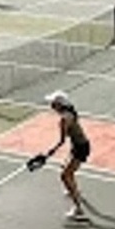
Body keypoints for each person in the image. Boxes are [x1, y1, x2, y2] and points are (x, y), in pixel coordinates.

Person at [43, 91, 92, 221]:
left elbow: (62, 140)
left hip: (80, 148)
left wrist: (50, 151)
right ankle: (75, 191)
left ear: (59, 104)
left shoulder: (64, 119)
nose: (51, 105)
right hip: (78, 146)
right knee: (65, 169)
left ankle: (78, 209)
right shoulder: (70, 113)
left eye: (53, 103)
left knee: (64, 176)